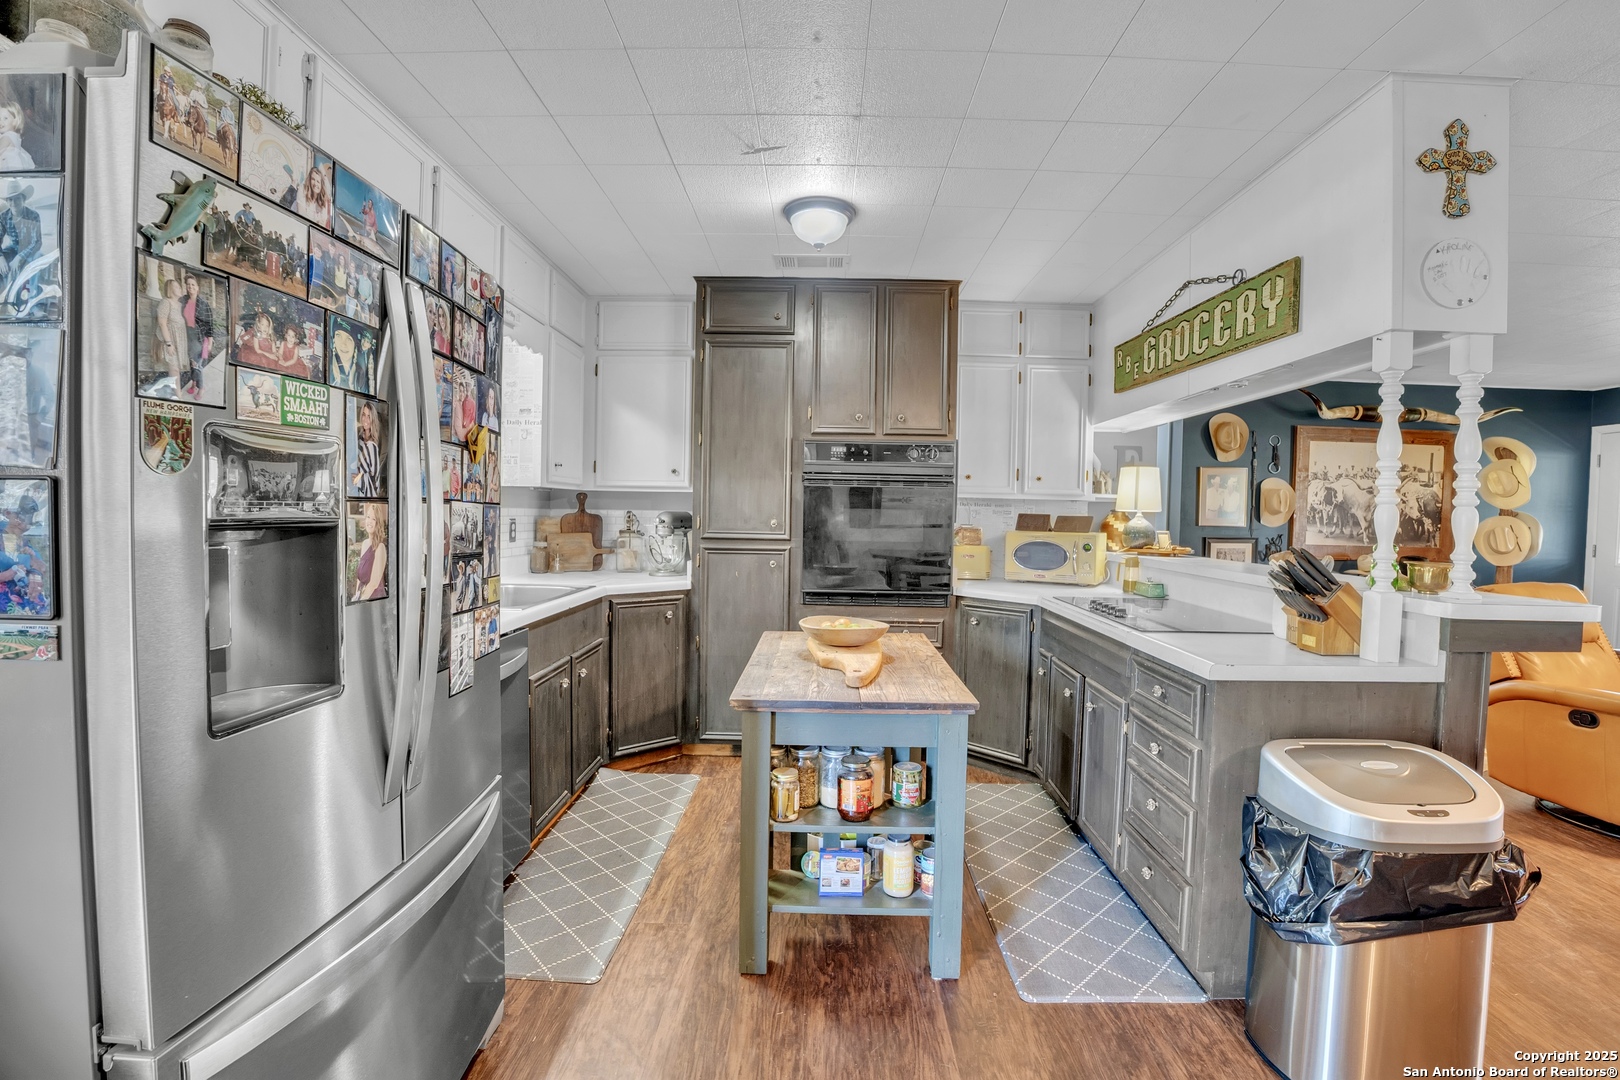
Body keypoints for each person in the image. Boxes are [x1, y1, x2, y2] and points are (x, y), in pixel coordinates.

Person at [0, 178, 43, 311]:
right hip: (13, 248)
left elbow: (37, 242)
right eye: (10, 199)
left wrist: (19, 257)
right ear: (7, 201)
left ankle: (33, 305)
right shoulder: (3, 216)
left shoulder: (33, 215)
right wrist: (1, 258)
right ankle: (4, 301)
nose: (14, 203)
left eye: (17, 199)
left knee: (38, 260)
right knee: (2, 262)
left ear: (23, 199)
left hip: (30, 249)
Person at [153, 276, 186, 394]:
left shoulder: (180, 305)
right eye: (176, 287)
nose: (180, 288)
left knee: (178, 369)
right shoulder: (166, 302)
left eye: (179, 286)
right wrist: (168, 344)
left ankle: (176, 392)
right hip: (169, 340)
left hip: (180, 341)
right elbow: (162, 323)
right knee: (174, 368)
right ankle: (178, 395)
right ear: (170, 289)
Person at [351, 501, 388, 601]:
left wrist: (360, 602)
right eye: (368, 517)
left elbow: (374, 584)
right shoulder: (364, 544)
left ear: (378, 523)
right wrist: (356, 597)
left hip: (374, 600)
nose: (370, 521)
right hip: (362, 597)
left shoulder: (380, 547)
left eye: (374, 519)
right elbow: (359, 579)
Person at [350, 400, 381, 498]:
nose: (365, 419)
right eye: (364, 415)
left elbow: (374, 478)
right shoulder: (359, 440)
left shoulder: (372, 446)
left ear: (373, 419)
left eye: (369, 416)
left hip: (367, 498)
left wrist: (359, 479)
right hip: (355, 492)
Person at [0, 102, 35, 170]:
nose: (1, 122)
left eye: (5, 118)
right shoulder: (14, 136)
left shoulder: (7, 137)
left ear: (15, 121)